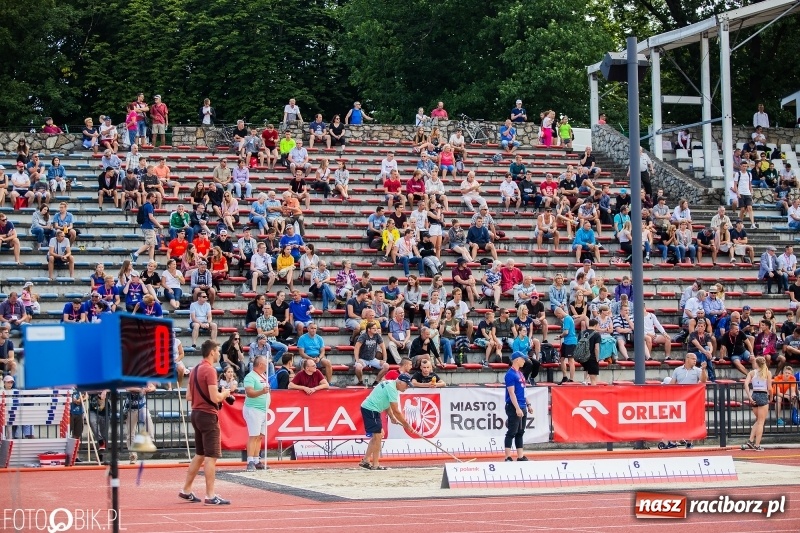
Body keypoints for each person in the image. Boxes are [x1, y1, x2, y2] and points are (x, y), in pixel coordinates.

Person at [180, 340, 232, 505]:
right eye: (217, 351)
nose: (218, 354)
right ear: (211, 352)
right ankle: (210, 495)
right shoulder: (209, 370)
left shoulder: (195, 369)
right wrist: (225, 393)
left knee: (200, 454)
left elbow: (188, 396)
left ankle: (186, 489)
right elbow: (214, 398)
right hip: (208, 415)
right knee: (211, 456)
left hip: (195, 413)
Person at [358, 374, 414, 470]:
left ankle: (366, 460)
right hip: (371, 409)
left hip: (372, 409)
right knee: (378, 436)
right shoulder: (392, 389)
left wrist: (391, 417)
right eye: (407, 384)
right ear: (400, 382)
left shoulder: (391, 385)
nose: (407, 387)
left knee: (378, 435)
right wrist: (406, 425)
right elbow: (396, 411)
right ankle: (376, 464)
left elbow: (387, 402)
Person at [658, 353, 708, 450]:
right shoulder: (677, 370)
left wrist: (703, 370)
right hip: (679, 399)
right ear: (687, 359)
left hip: (692, 399)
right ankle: (673, 441)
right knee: (677, 421)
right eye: (693, 359)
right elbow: (672, 383)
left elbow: (703, 380)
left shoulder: (698, 370)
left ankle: (689, 442)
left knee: (691, 421)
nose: (695, 361)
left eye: (695, 359)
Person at [503, 352, 534, 461]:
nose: (524, 361)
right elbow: (511, 393)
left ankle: (520, 456)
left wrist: (528, 404)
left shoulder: (520, 374)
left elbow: (523, 392)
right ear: (516, 360)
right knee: (512, 431)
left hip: (522, 405)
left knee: (520, 432)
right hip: (514, 406)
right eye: (523, 359)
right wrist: (517, 408)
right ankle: (507, 456)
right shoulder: (510, 374)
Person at [242, 355, 270, 472]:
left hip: (263, 410)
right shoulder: (250, 377)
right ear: (260, 365)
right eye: (265, 364)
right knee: (253, 435)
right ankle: (250, 461)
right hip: (253, 409)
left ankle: (256, 459)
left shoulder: (263, 376)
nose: (267, 366)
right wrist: (262, 392)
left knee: (259, 436)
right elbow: (249, 392)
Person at [741, 356, 772, 452]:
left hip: (754, 394)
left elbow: (745, 384)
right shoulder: (767, 372)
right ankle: (757, 444)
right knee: (761, 422)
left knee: (759, 420)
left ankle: (750, 440)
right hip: (762, 394)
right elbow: (770, 387)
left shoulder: (752, 372)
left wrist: (749, 397)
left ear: (756, 363)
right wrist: (771, 397)